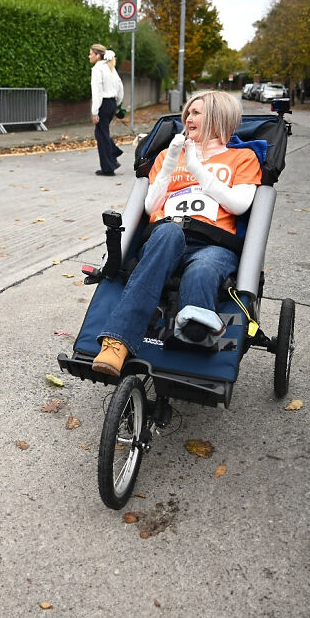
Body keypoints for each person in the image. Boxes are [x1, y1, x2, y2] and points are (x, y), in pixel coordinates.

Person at [92, 90, 262, 377]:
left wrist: (197, 168)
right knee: (170, 233)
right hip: (165, 236)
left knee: (203, 270)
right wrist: (171, 163)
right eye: (188, 113)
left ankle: (193, 336)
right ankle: (116, 342)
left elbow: (239, 203)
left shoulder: (242, 158)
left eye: (196, 112)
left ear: (219, 117)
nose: (188, 117)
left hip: (214, 243)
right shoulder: (168, 155)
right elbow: (150, 206)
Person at [89, 44, 124, 176]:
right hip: (112, 103)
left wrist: (95, 112)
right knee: (102, 133)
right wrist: (117, 104)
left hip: (103, 104)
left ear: (98, 55)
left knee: (101, 135)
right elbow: (120, 87)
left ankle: (108, 167)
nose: (89, 56)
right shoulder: (110, 68)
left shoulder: (97, 69)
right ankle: (113, 155)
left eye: (91, 53)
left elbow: (97, 92)